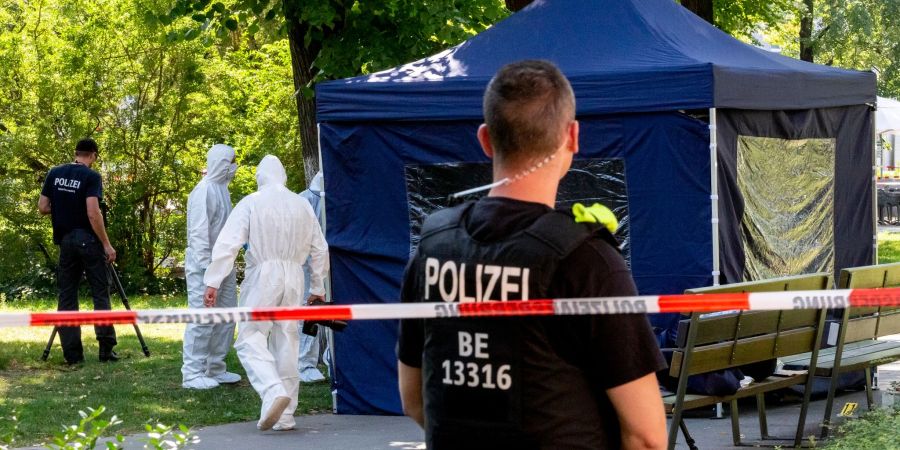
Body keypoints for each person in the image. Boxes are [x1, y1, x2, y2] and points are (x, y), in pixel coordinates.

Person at [396, 60, 668, 449]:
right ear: (573, 136)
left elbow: (413, 399)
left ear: (486, 139)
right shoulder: (586, 262)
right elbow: (646, 436)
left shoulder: (432, 249)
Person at [203, 155, 328, 432]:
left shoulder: (252, 201)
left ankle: (272, 391)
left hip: (263, 275)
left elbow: (228, 242)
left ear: (261, 176)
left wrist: (213, 280)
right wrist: (317, 288)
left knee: (250, 338)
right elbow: (320, 249)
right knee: (287, 340)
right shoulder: (302, 204)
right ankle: (285, 416)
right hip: (295, 277)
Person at [38, 137, 118, 365]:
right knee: (100, 294)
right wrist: (106, 244)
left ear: (76, 152)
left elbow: (43, 207)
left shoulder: (54, 173)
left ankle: (72, 355)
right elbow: (93, 213)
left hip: (65, 242)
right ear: (92, 155)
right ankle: (105, 351)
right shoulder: (91, 176)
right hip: (89, 241)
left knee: (67, 297)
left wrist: (63, 206)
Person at [181, 144, 242, 390]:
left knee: (227, 316)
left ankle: (215, 367)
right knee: (202, 317)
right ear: (219, 162)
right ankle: (192, 373)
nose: (234, 167)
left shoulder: (222, 190)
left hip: (224, 265)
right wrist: (209, 275)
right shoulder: (204, 190)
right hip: (204, 267)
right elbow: (198, 235)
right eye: (230, 161)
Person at [297, 171, 331, 383]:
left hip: (330, 263)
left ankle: (328, 357)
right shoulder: (304, 201)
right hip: (307, 265)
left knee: (330, 310)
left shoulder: (329, 199)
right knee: (310, 310)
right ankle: (304, 363)